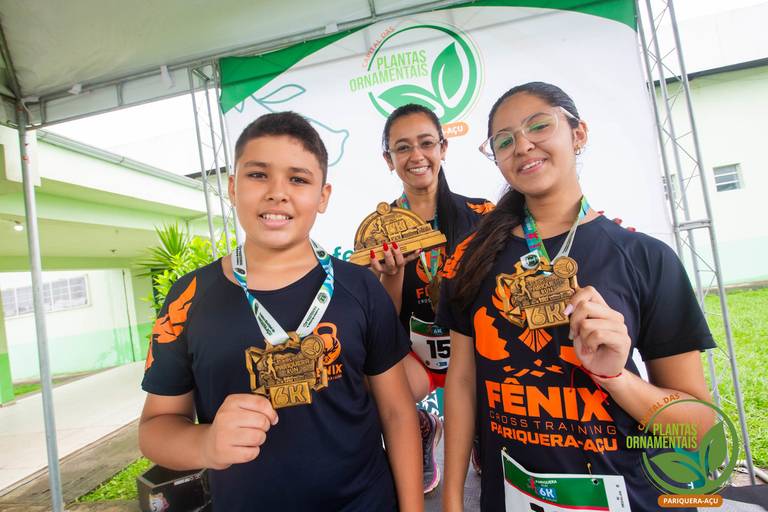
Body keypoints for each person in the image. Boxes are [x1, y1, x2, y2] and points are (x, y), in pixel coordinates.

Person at [438, 82, 716, 511]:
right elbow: (460, 382)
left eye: (539, 126)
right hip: (511, 497)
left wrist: (615, 377)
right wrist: (453, 499)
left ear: (578, 133)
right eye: (504, 141)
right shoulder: (472, 259)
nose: (522, 146)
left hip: (631, 495)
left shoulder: (645, 258)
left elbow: (699, 428)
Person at [139, 112, 423, 511]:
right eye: (258, 175)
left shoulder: (360, 288)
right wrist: (205, 443)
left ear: (323, 196)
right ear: (233, 187)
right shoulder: (187, 298)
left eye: (298, 179)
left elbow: (397, 413)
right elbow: (154, 429)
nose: (277, 193)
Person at [368, 103, 493, 493]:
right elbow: (382, 322)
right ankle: (423, 427)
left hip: (473, 353)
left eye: (426, 143)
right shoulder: (378, 230)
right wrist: (392, 275)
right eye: (403, 147)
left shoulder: (483, 215)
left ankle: (479, 427)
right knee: (366, 382)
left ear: (443, 148)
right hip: (415, 358)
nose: (416, 155)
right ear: (388, 159)